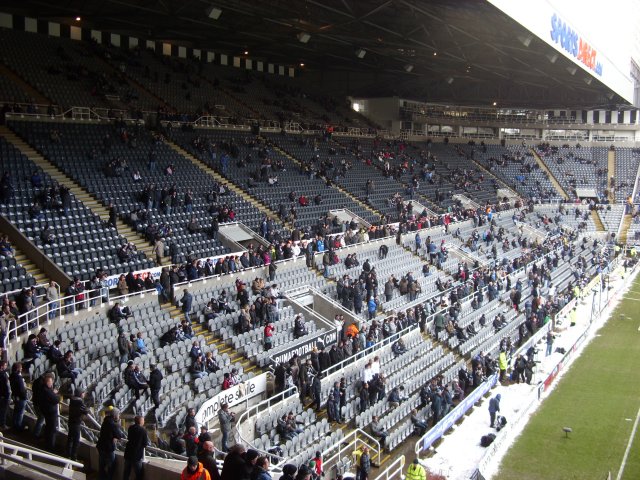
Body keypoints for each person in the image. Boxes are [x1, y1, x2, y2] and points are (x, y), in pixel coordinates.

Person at [96, 408, 124, 480]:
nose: (119, 416)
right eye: (118, 414)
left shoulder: (106, 420)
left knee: (102, 465)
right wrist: (118, 423)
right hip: (107, 447)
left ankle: (101, 477)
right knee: (112, 465)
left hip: (101, 445)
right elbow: (119, 435)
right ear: (115, 415)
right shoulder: (113, 424)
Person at [123, 416, 149, 480]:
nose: (144, 421)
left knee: (126, 472)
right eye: (143, 420)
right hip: (136, 456)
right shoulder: (143, 430)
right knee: (138, 474)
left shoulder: (130, 428)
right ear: (140, 421)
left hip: (128, 453)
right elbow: (145, 444)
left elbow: (129, 438)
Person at [67, 387, 89, 460]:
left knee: (70, 439)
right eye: (83, 393)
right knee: (76, 441)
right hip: (76, 423)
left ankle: (68, 454)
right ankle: (74, 457)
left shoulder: (72, 400)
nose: (84, 394)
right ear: (80, 394)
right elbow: (85, 411)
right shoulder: (79, 402)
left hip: (70, 422)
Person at [9, 362, 27, 431]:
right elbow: (21, 389)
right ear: (18, 369)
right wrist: (24, 396)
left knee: (16, 411)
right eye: (21, 367)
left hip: (15, 396)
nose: (22, 369)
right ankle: (18, 427)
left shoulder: (11, 376)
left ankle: (14, 425)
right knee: (20, 413)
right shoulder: (18, 378)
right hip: (21, 398)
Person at [0, 361, 9, 429]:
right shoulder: (3, 375)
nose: (6, 366)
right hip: (3, 396)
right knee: (3, 411)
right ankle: (3, 425)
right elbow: (5, 386)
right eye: (5, 365)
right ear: (2, 366)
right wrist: (6, 395)